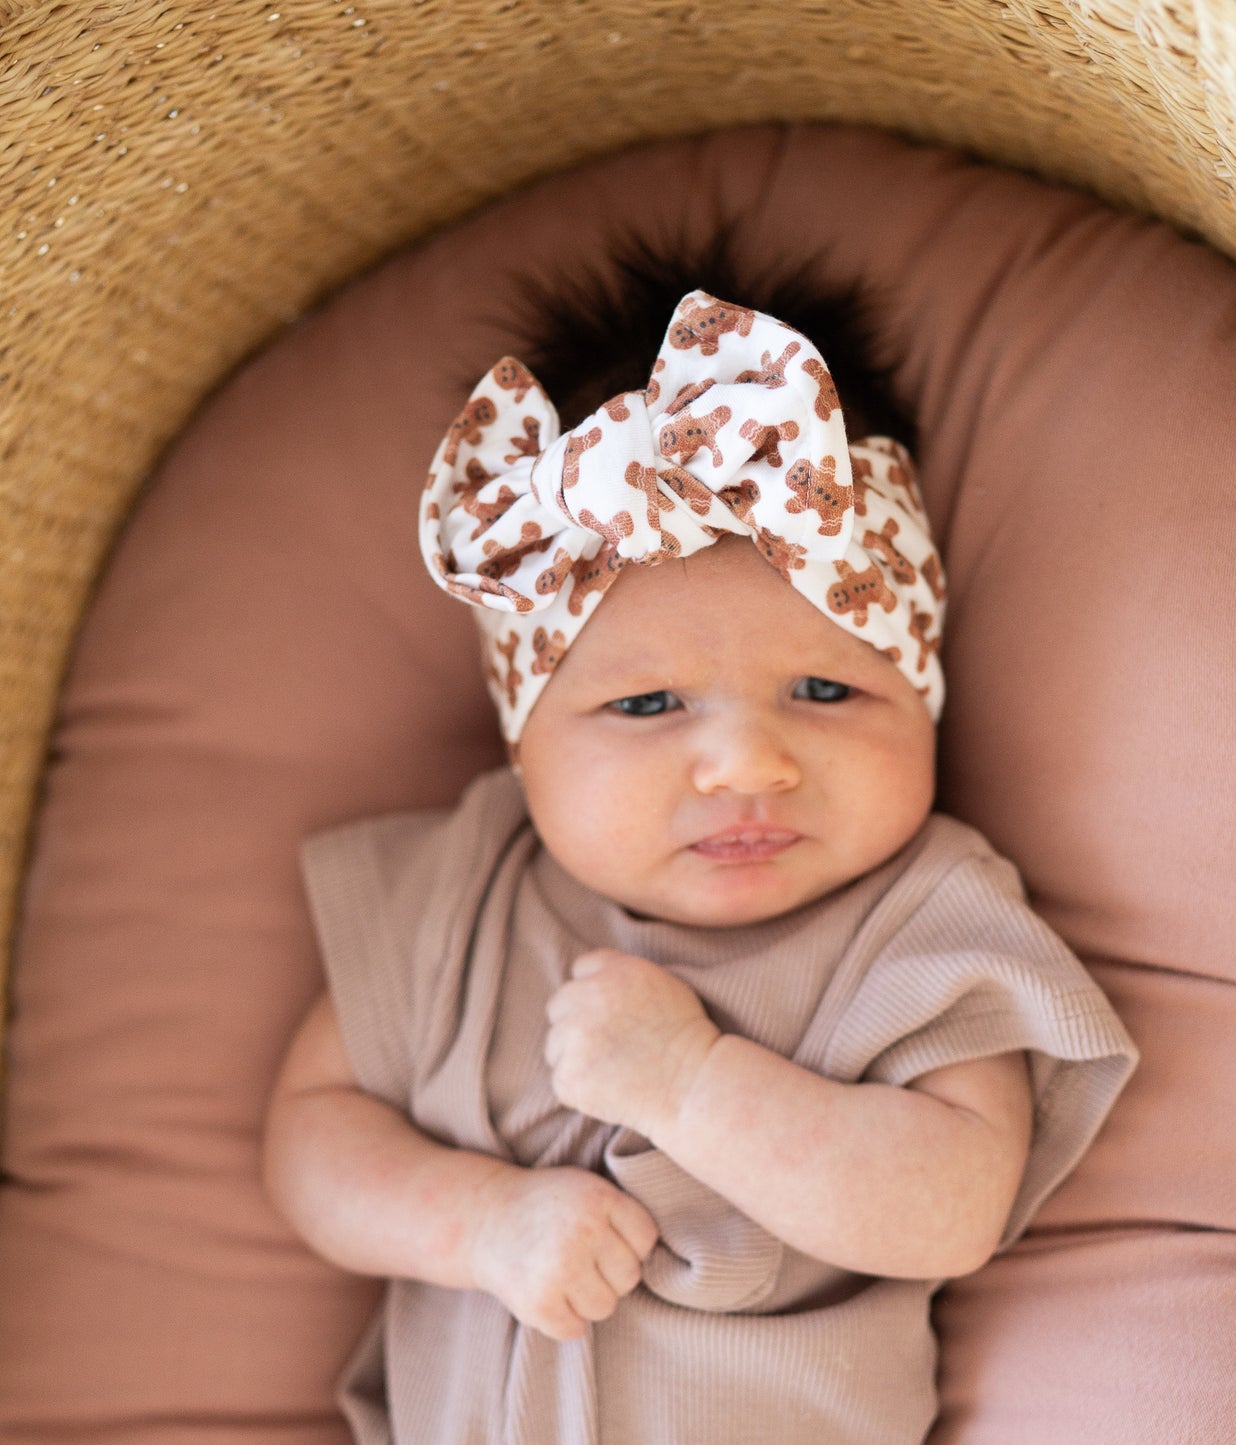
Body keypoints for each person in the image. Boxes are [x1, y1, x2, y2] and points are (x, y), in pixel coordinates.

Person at [262, 286, 1138, 1445]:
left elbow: (951, 1204)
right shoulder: (459, 895)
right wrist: (479, 1225)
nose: (745, 764)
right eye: (644, 703)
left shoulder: (923, 920)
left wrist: (690, 1085)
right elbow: (310, 1137)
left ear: (921, 694)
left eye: (826, 689)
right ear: (525, 742)